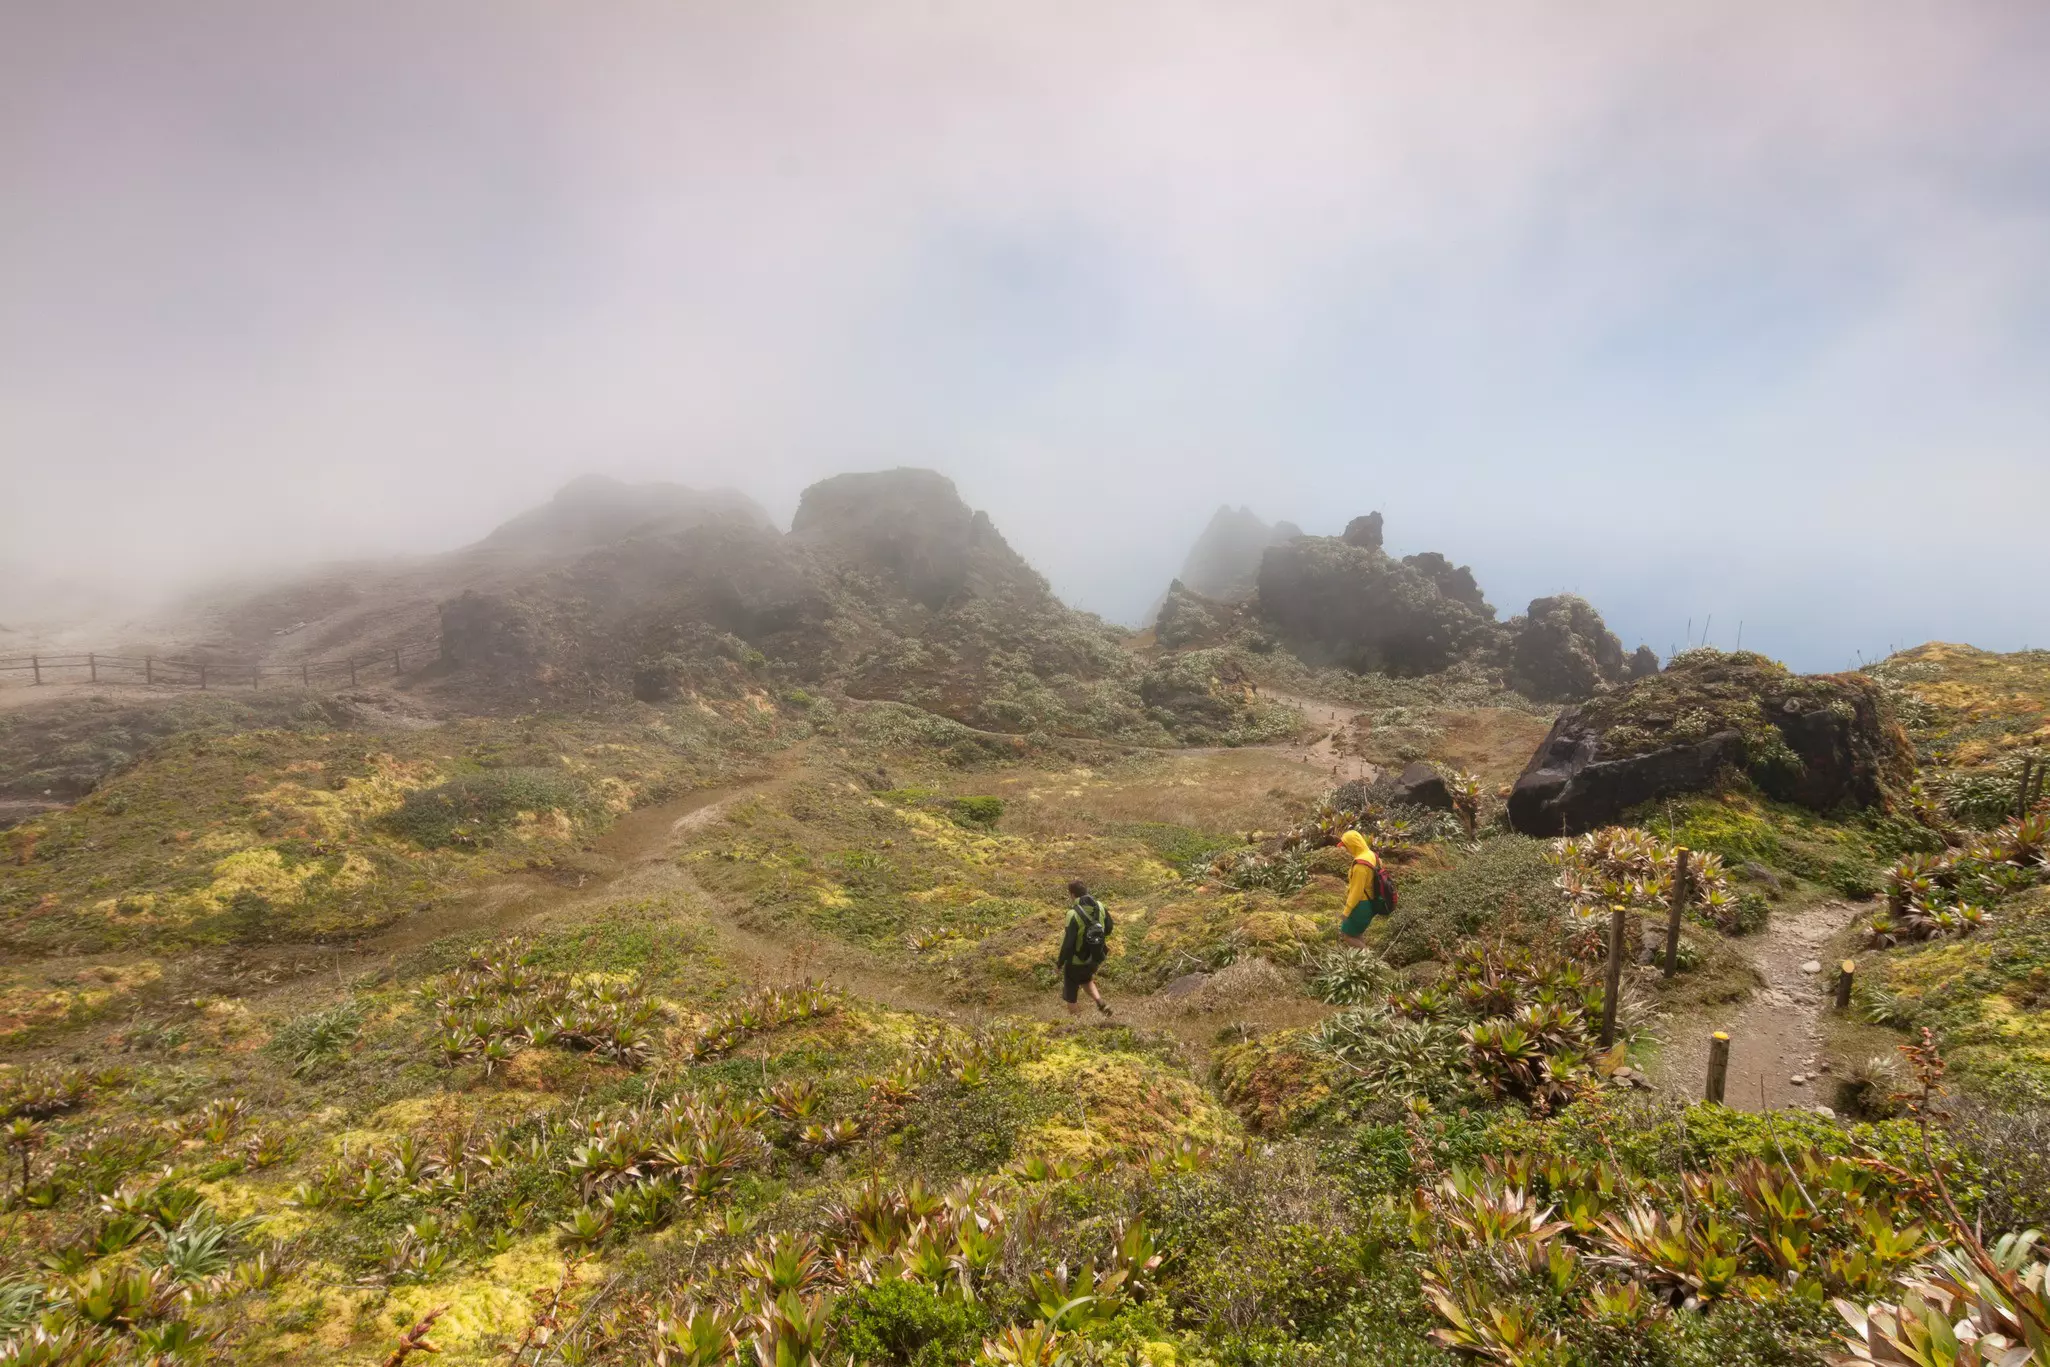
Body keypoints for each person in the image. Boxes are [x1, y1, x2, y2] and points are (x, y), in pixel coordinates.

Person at [1057, 880, 1113, 1016]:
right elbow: (1109, 928)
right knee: (1086, 980)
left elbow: (1068, 943)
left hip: (1076, 961)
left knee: (1070, 995)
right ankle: (1100, 1002)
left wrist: (1060, 962)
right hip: (1095, 957)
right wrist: (1095, 941)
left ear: (1072, 894)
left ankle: (1078, 1025)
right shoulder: (1100, 906)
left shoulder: (1072, 914)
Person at [1338, 829, 1388, 946]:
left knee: (1348, 936)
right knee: (1357, 934)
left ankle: (1368, 957)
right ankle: (1365, 960)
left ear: (1353, 845)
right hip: (1372, 902)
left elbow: (1357, 891)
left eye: (1346, 846)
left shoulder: (1360, 865)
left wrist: (1346, 912)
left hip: (1361, 905)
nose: (1346, 849)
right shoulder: (1372, 855)